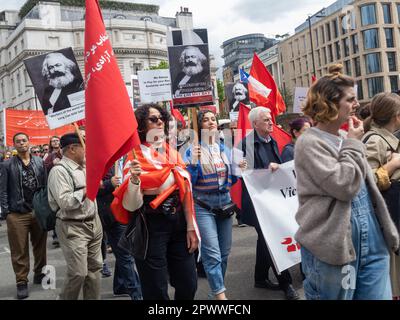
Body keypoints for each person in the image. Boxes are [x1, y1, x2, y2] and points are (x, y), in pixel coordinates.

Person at [295, 64, 399, 300]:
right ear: (329, 103)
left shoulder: (345, 138)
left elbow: (366, 186)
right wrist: (353, 145)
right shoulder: (309, 142)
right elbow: (345, 186)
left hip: (372, 243)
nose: (357, 105)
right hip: (334, 250)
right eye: (351, 99)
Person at [120, 104, 199, 300]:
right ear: (141, 126)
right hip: (151, 226)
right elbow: (130, 205)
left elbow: (185, 192)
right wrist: (135, 180)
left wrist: (191, 227)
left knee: (188, 283)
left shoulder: (173, 153)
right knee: (155, 289)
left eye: (161, 118)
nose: (160, 122)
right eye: (153, 119)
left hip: (179, 223)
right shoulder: (134, 157)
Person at [237, 106, 300, 300]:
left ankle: (260, 277)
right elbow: (245, 175)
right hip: (257, 204)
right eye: (266, 120)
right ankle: (286, 284)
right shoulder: (245, 145)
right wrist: (267, 168)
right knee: (272, 240)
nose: (271, 122)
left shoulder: (271, 140)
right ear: (255, 124)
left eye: (271, 119)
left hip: (272, 202)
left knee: (265, 240)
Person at [184, 110, 246, 300]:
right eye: (205, 120)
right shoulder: (191, 150)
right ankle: (221, 298)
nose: (210, 122)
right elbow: (189, 182)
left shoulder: (225, 149)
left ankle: (215, 292)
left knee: (224, 254)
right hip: (203, 206)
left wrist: (238, 169)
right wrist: (193, 164)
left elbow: (231, 180)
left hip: (225, 204)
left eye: (213, 119)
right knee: (212, 254)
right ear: (199, 126)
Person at [47, 133, 103, 300]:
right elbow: (65, 202)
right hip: (73, 227)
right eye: (83, 145)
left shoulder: (85, 166)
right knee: (78, 273)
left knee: (95, 270)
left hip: (94, 222)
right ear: (72, 149)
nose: (87, 150)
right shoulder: (59, 171)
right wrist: (87, 189)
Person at [0, 132, 47, 299]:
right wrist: (7, 213)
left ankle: (40, 273)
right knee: (19, 250)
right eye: (18, 141)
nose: (21, 143)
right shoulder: (7, 165)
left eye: (24, 140)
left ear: (29, 142)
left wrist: (46, 208)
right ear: (14, 145)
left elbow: (45, 187)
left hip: (38, 211)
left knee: (40, 246)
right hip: (17, 214)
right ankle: (21, 281)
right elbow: (3, 190)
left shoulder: (40, 162)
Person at [362, 92, 400, 299]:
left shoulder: (385, 139)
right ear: (396, 116)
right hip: (386, 222)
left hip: (393, 218)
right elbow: (366, 183)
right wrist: (393, 164)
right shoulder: (375, 140)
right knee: (392, 280)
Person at [96, 166, 143, 300]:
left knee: (123, 251)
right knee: (125, 254)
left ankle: (120, 285)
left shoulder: (125, 161)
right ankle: (137, 294)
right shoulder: (99, 161)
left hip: (125, 210)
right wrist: (109, 183)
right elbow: (91, 189)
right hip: (110, 214)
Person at [44, 135, 62, 248]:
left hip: (66, 185)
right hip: (54, 187)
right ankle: (56, 236)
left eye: (57, 140)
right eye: (53, 141)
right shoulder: (49, 156)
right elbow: (44, 168)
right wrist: (52, 164)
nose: (55, 142)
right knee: (56, 211)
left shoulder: (64, 152)